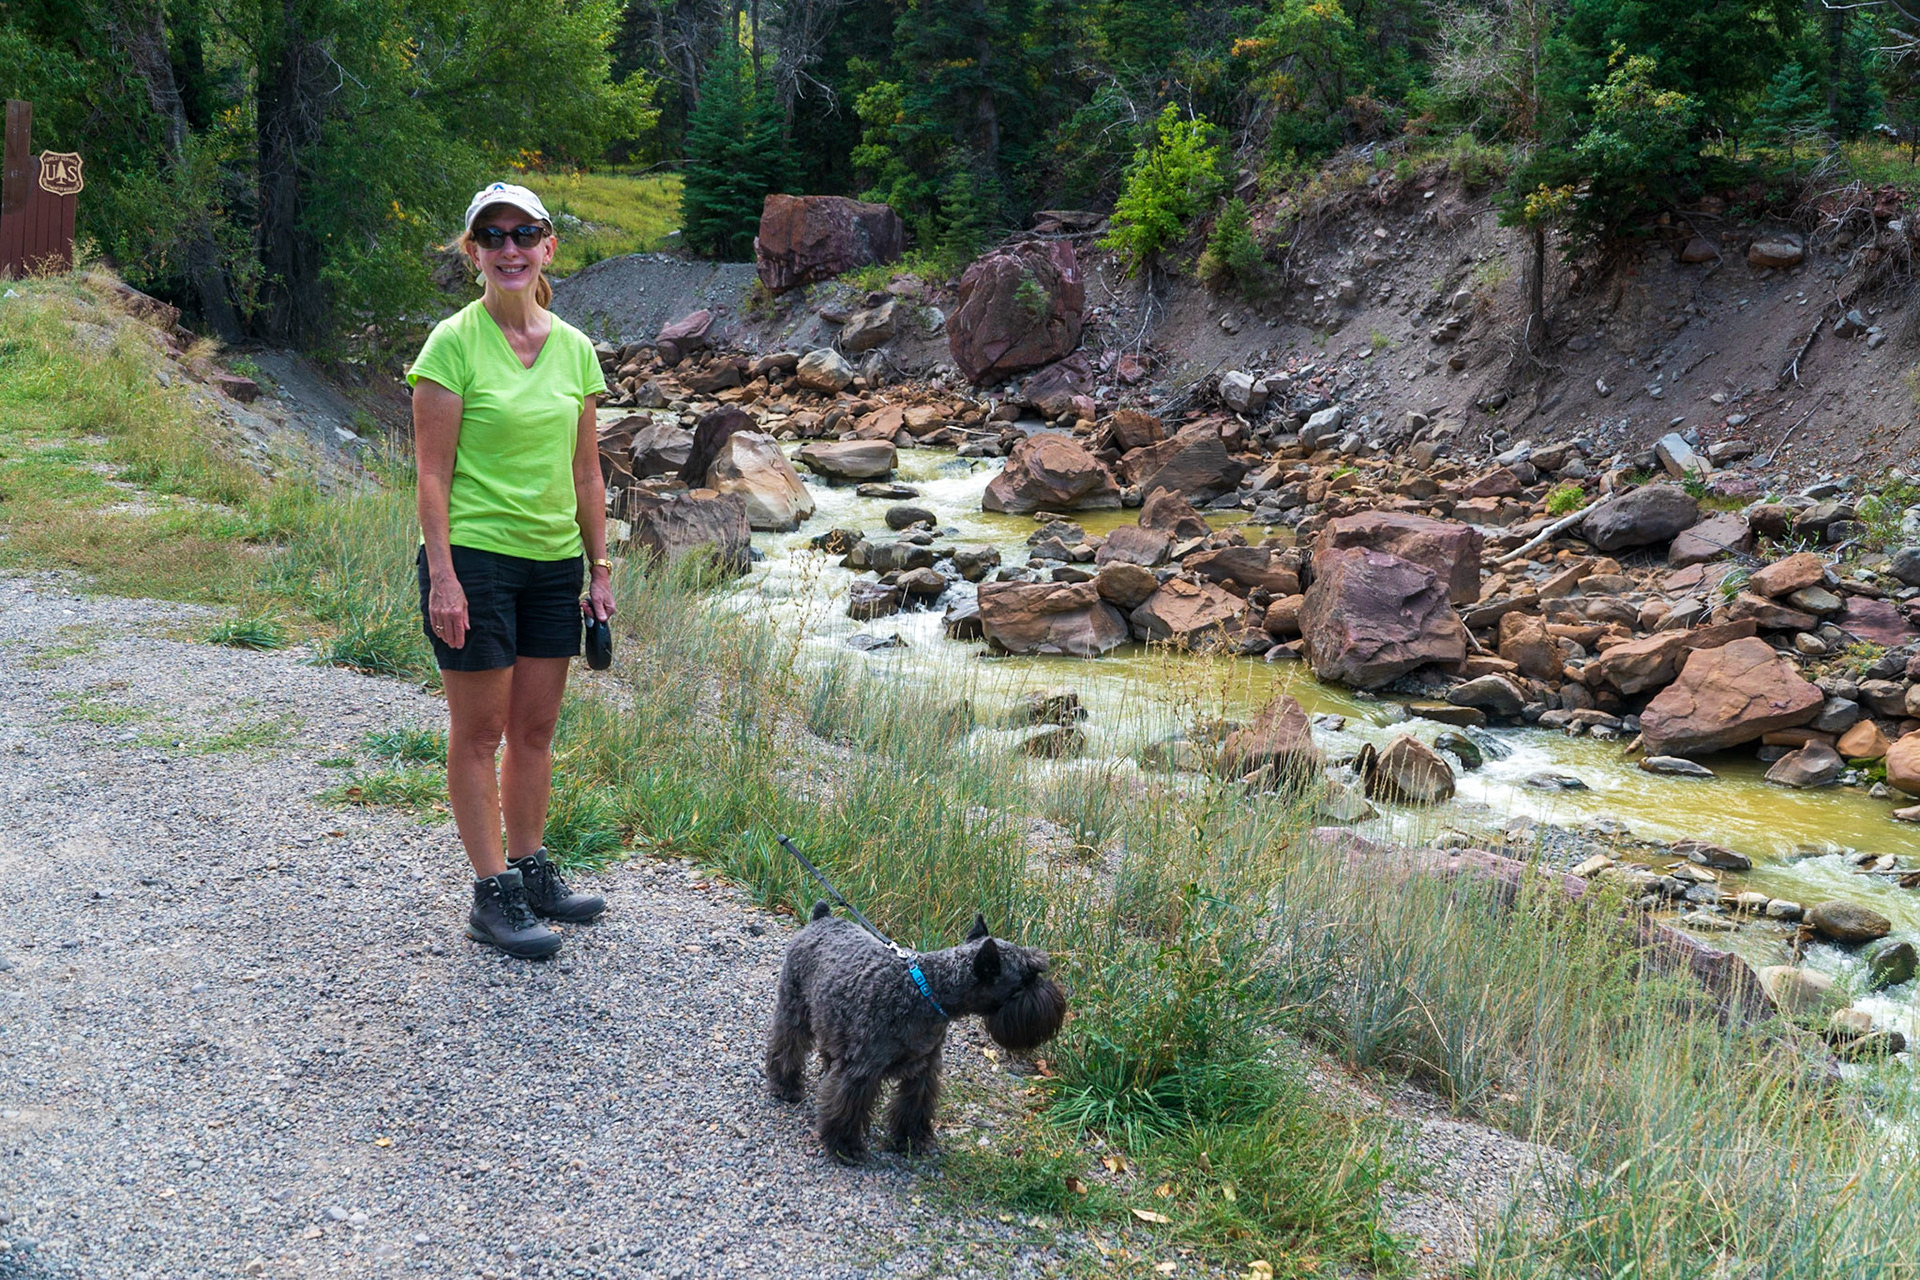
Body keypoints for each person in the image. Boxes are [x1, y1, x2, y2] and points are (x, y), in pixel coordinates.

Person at [406, 181, 615, 959]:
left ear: (548, 246)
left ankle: (529, 871)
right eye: (492, 237)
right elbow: (431, 475)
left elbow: (587, 472)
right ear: (474, 254)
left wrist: (599, 568)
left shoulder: (574, 348)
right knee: (480, 731)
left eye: (524, 233)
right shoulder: (451, 346)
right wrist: (444, 576)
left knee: (534, 729)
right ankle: (491, 895)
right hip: (477, 561)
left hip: (554, 561)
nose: (510, 248)